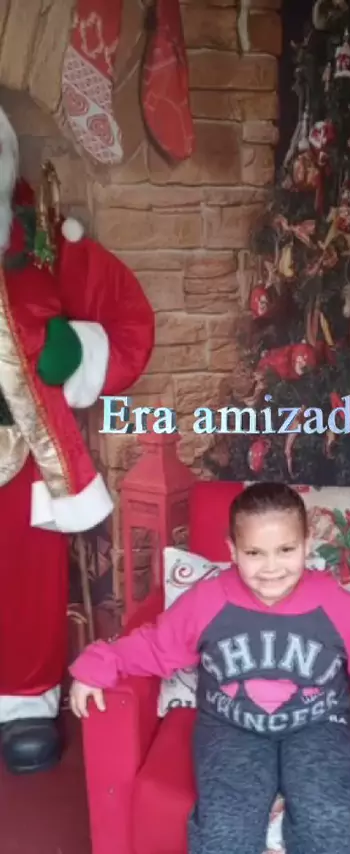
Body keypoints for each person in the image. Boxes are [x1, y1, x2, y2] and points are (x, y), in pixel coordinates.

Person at [70, 482, 350, 854]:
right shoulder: (207, 601)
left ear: (307, 544)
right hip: (230, 727)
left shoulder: (336, 605)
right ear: (232, 550)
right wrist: (99, 663)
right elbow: (155, 645)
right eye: (254, 553)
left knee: (331, 827)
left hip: (320, 725)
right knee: (223, 833)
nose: (271, 568)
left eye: (285, 550)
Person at [0, 104, 155, 774]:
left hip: (23, 455)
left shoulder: (44, 244)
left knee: (25, 577)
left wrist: (79, 349)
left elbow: (127, 321)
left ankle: (22, 699)